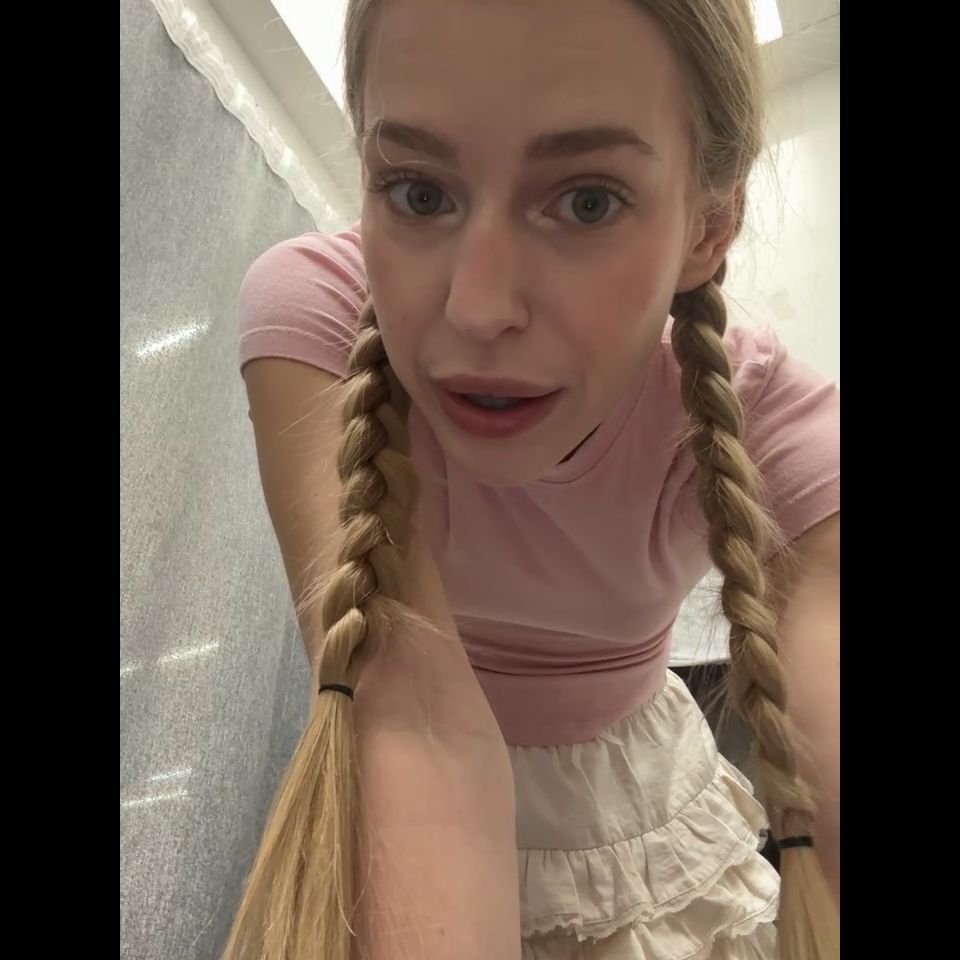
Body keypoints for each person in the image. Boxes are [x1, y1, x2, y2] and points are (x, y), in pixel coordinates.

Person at [223, 2, 840, 958]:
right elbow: (405, 703)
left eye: (587, 201)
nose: (479, 308)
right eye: (418, 192)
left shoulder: (769, 412)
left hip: (639, 818)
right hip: (400, 797)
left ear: (709, 227)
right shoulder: (317, 308)